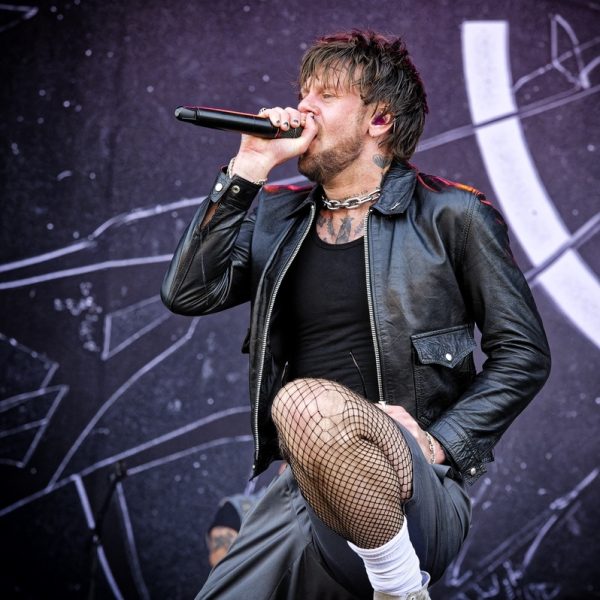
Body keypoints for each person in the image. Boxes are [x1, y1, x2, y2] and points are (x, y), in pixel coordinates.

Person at [161, 30, 551, 600]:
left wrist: (440, 443)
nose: (303, 108)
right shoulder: (274, 215)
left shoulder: (452, 215)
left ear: (379, 120)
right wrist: (248, 167)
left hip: (411, 484)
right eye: (303, 92)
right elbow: (187, 294)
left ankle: (400, 586)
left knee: (303, 403)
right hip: (299, 491)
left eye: (326, 95)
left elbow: (524, 354)